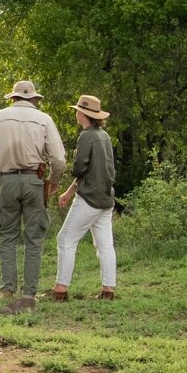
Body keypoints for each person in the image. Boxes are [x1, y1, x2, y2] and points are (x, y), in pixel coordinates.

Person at [0, 79, 68, 307]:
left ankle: (7, 290)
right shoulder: (44, 119)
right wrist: (53, 181)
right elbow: (59, 159)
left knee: (8, 236)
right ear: (33, 99)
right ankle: (29, 293)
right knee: (34, 238)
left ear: (12, 98)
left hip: (7, 180)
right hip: (34, 180)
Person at [50, 94, 117, 301]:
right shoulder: (103, 135)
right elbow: (96, 170)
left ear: (84, 114)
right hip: (106, 197)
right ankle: (108, 290)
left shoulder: (87, 136)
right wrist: (69, 192)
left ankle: (60, 289)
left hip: (89, 198)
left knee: (65, 240)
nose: (76, 113)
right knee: (105, 245)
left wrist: (71, 190)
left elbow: (80, 168)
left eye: (78, 111)